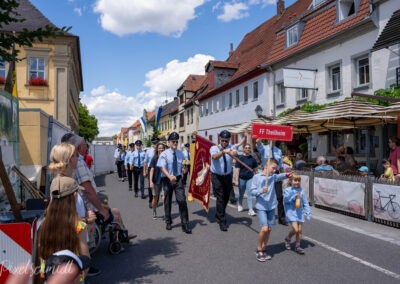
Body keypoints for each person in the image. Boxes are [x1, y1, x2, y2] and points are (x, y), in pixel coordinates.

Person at [61, 133, 135, 240]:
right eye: (84, 144)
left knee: (114, 211)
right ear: (78, 147)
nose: (87, 146)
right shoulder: (78, 163)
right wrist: (100, 209)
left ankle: (121, 235)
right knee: (112, 215)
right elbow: (88, 190)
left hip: (84, 208)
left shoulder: (73, 164)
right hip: (86, 211)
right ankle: (119, 236)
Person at [37, 175, 90, 282]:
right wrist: (79, 279)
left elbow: (41, 258)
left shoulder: (43, 224)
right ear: (74, 196)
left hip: (50, 278)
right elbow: (86, 260)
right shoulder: (79, 225)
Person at [250, 158, 292, 261]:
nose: (274, 170)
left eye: (275, 169)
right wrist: (261, 190)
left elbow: (279, 176)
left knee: (269, 230)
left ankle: (264, 248)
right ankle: (259, 248)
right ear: (266, 166)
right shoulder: (257, 177)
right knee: (264, 228)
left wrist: (287, 175)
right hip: (261, 207)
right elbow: (252, 191)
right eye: (273, 168)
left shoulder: (273, 177)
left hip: (271, 206)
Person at [157, 132, 192, 234]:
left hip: (178, 179)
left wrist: (184, 169)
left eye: (176, 141)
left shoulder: (181, 153)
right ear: (169, 142)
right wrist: (169, 176)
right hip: (167, 179)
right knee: (167, 201)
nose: (175, 143)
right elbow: (162, 167)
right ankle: (168, 221)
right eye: (173, 141)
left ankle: (185, 224)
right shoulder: (164, 154)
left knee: (182, 201)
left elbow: (183, 167)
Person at [210, 130, 242, 231]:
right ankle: (222, 221)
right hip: (217, 176)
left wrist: (234, 153)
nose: (224, 142)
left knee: (227, 197)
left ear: (229, 140)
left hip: (227, 176)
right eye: (223, 140)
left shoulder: (231, 147)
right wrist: (223, 152)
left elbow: (236, 154)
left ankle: (219, 214)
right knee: (220, 197)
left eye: (226, 141)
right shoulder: (214, 148)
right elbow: (214, 157)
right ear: (220, 139)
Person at [255, 139, 287, 225]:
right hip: (266, 175)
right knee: (266, 194)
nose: (272, 140)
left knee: (280, 197)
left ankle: (282, 218)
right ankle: (264, 212)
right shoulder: (264, 148)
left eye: (274, 138)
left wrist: (283, 176)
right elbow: (258, 145)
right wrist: (258, 140)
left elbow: (280, 165)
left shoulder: (278, 150)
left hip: (275, 175)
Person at [283, 174, 311, 254]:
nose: (297, 182)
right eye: (295, 180)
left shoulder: (301, 190)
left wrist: (308, 212)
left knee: (300, 230)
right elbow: (286, 200)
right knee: (295, 229)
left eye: (299, 180)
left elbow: (305, 202)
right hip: (291, 212)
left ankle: (297, 246)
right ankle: (288, 239)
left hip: (300, 212)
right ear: (291, 181)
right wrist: (293, 196)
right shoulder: (288, 190)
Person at [234, 143, 258, 216]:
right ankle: (240, 204)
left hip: (250, 178)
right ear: (244, 149)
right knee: (241, 193)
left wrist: (257, 178)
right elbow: (237, 170)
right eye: (246, 148)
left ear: (250, 149)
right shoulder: (240, 158)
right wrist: (236, 180)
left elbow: (255, 170)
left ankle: (250, 209)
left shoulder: (253, 159)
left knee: (250, 193)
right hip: (242, 178)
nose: (247, 149)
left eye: (249, 148)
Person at [149, 142, 166, 219]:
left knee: (164, 197)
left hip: (164, 181)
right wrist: (151, 182)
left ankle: (166, 213)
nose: (161, 149)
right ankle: (154, 211)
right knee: (155, 199)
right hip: (156, 181)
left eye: (162, 148)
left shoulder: (166, 157)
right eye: (159, 148)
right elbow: (151, 170)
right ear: (157, 149)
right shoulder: (154, 158)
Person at [144, 138, 160, 207]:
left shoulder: (160, 151)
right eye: (155, 143)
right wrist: (145, 171)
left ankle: (156, 200)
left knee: (159, 185)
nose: (156, 145)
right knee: (151, 186)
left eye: (157, 143)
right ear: (153, 144)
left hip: (159, 169)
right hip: (151, 169)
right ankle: (151, 200)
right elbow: (145, 161)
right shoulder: (148, 151)